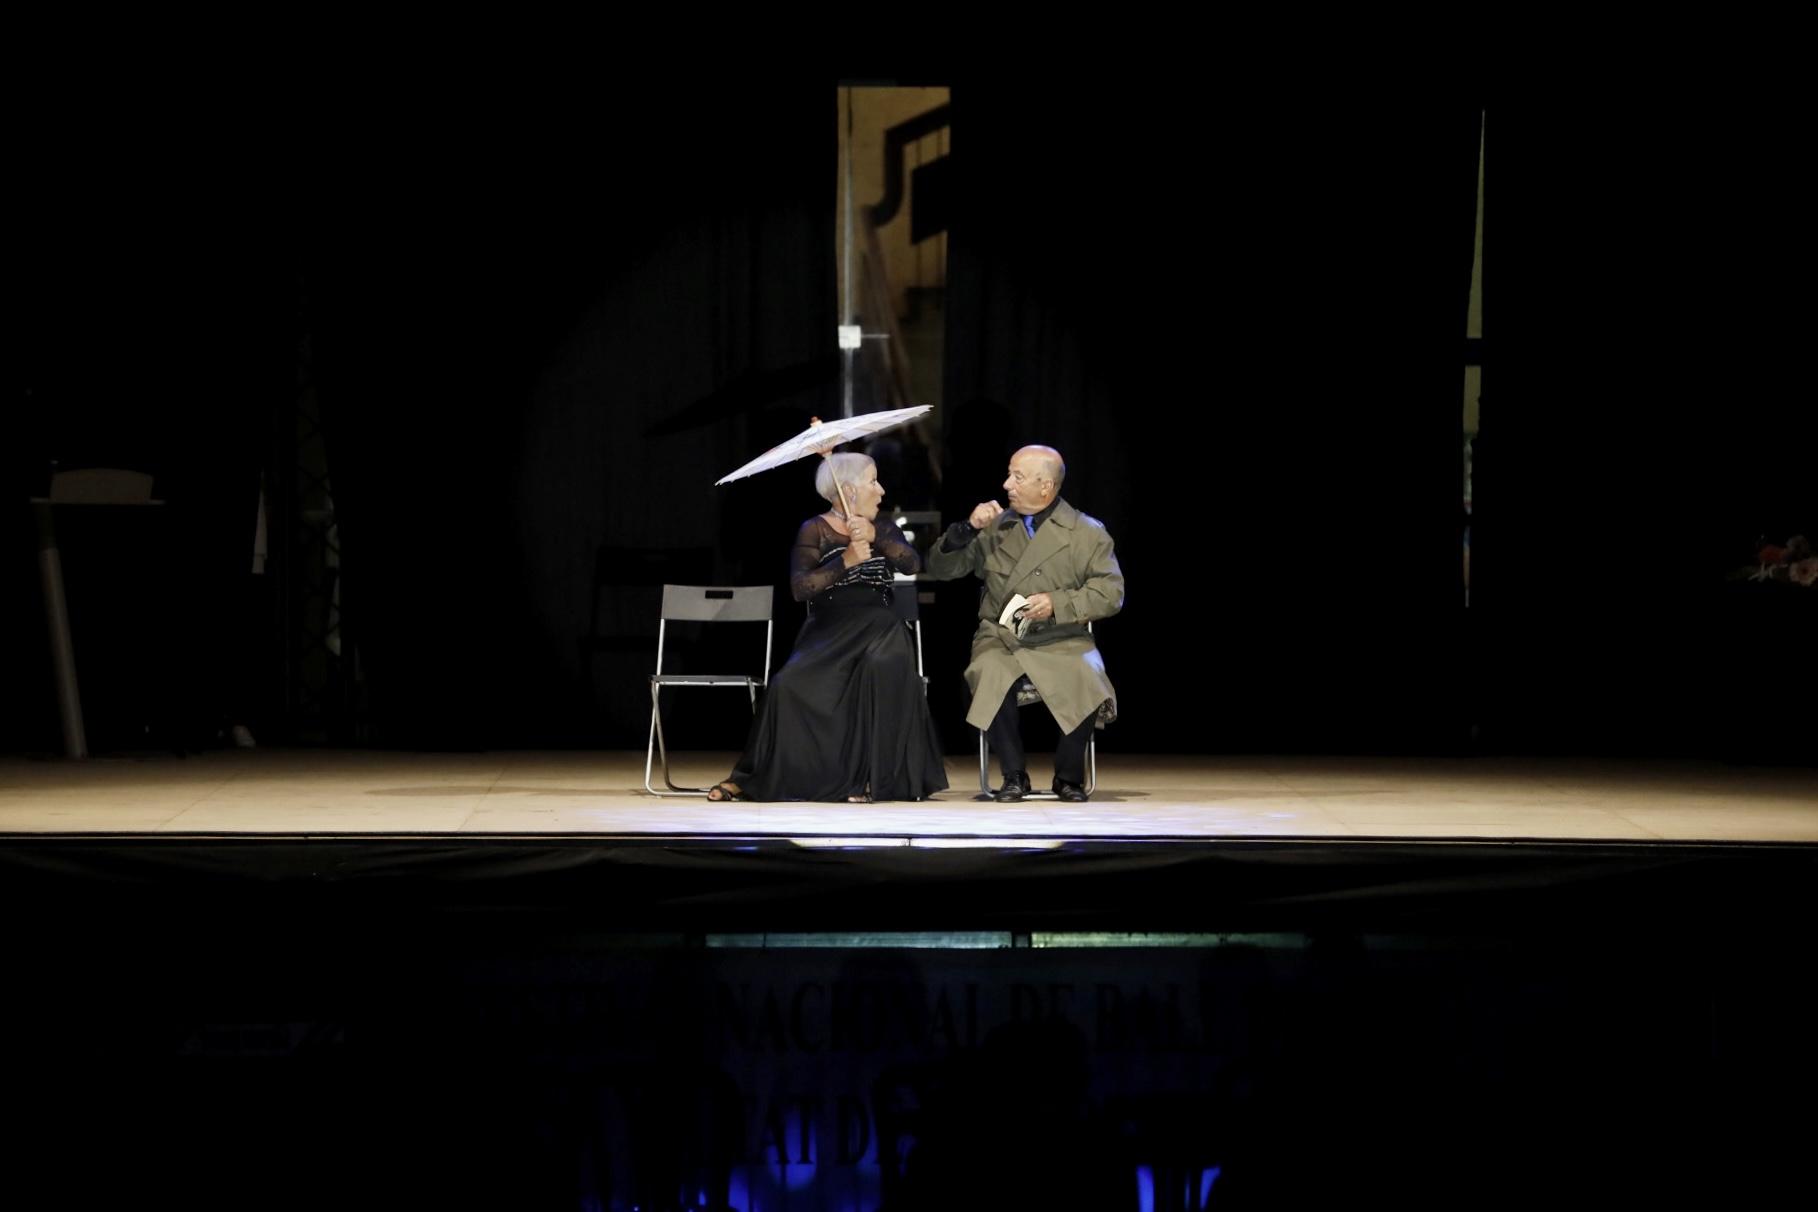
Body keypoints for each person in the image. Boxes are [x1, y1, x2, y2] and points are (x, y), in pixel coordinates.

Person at [708, 452, 948, 803]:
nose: (881, 490)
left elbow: (912, 564)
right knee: (787, 685)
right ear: (848, 490)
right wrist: (845, 561)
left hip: (880, 626)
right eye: (873, 481)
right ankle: (757, 777)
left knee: (883, 667)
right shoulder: (814, 529)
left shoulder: (882, 526)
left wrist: (876, 537)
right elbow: (800, 588)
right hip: (829, 629)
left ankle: (874, 778)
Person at [924, 445, 1121, 802]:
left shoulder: (1087, 532)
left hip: (1062, 637)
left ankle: (1069, 777)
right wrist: (967, 528)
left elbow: (1110, 593)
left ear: (1045, 486)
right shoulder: (995, 527)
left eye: (1017, 477)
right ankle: (1013, 774)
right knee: (989, 672)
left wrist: (1057, 603)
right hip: (1002, 638)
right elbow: (941, 570)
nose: (1006, 485)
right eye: (1009, 475)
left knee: (1088, 675)